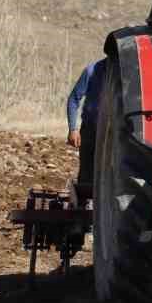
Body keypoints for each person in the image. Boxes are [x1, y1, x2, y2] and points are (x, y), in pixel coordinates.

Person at [66, 58, 107, 200]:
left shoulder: (129, 73)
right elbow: (73, 99)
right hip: (91, 129)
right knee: (87, 175)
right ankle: (83, 213)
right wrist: (73, 129)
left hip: (115, 133)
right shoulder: (92, 71)